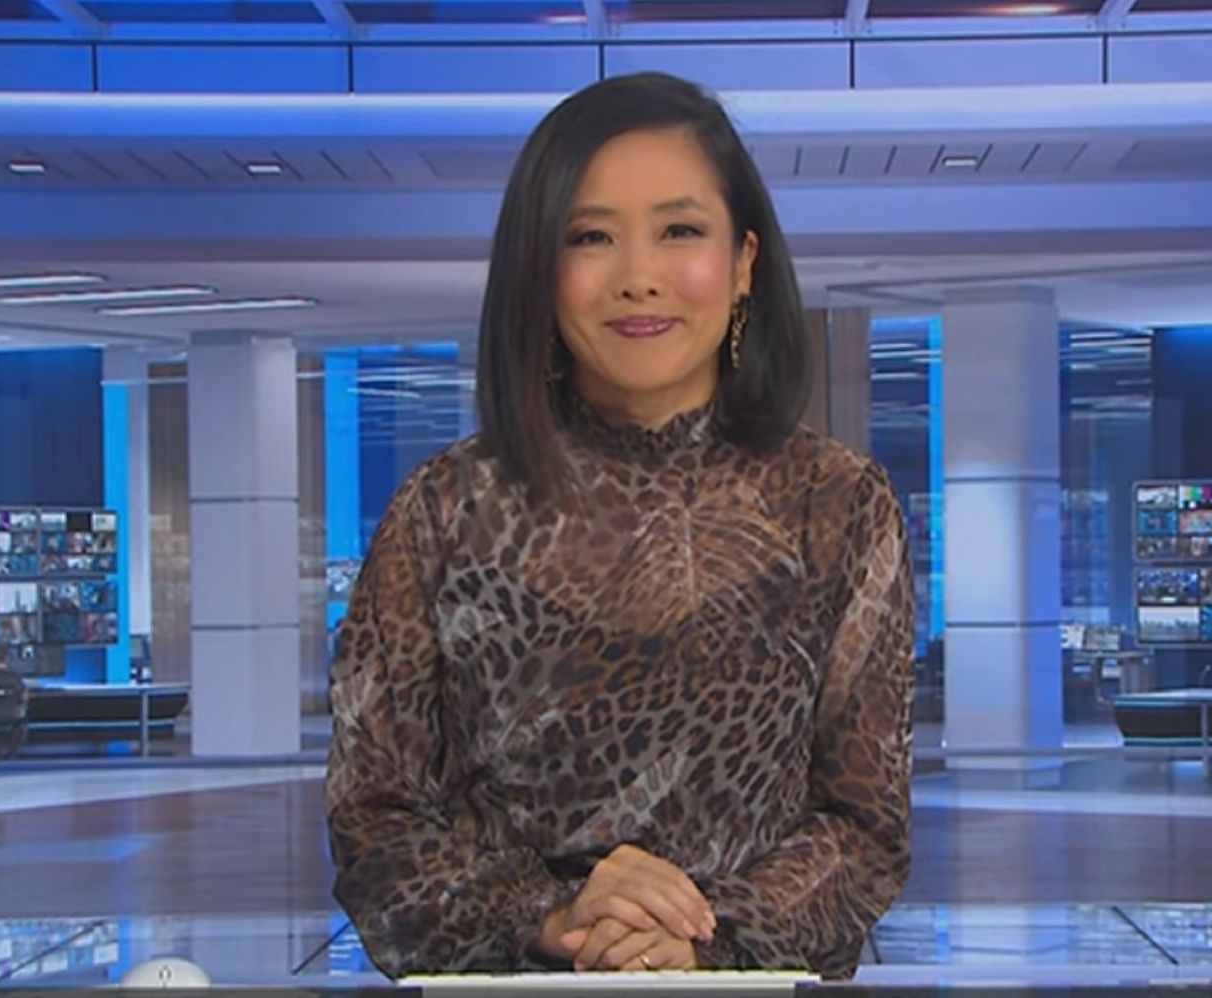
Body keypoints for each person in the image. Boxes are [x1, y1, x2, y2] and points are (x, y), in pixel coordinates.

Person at [326, 72, 914, 981]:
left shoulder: (837, 504)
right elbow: (372, 823)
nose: (638, 276)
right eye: (590, 237)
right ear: (538, 271)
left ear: (744, 262)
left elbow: (864, 828)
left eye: (679, 231)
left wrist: (702, 935)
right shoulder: (444, 511)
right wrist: (554, 917)